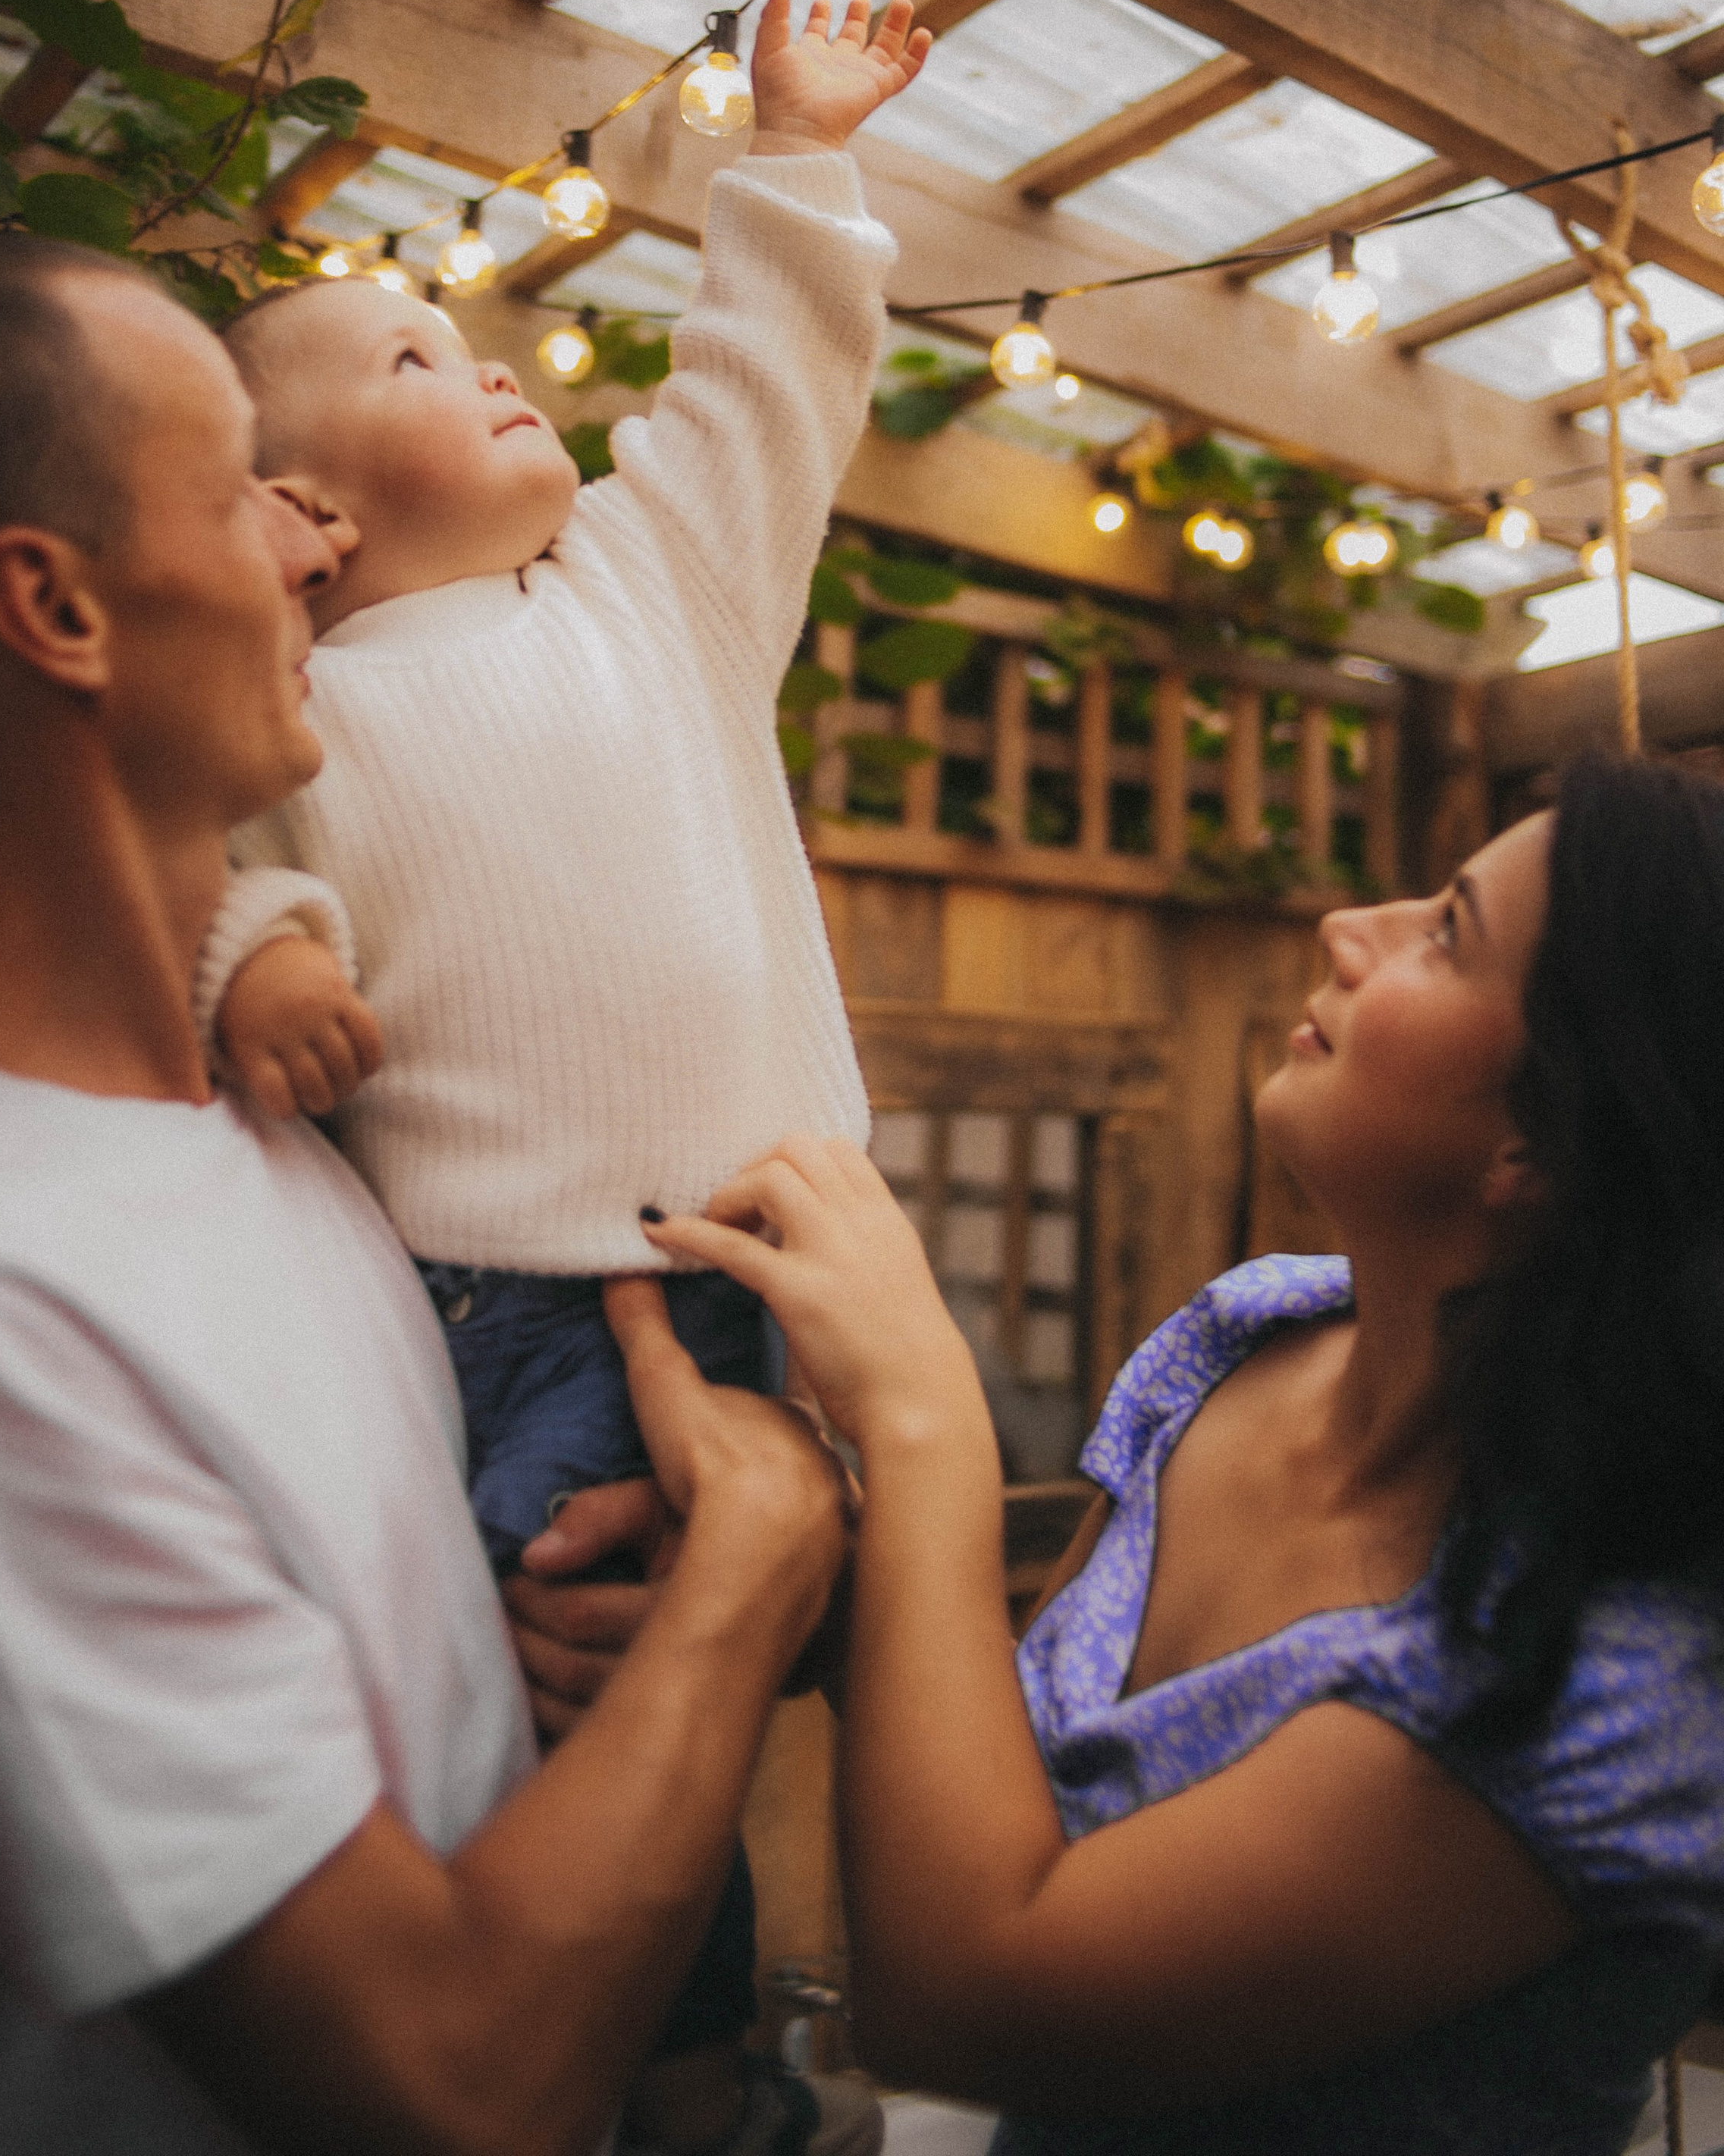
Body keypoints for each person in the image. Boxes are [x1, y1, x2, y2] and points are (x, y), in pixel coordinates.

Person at [0, 230, 851, 2156]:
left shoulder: (282, 1132)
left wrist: (633, 1616)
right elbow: (439, 2088)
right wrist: (753, 1576)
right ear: (58, 608)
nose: (311, 546)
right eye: (243, 493)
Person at [193, 0, 929, 2156]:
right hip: (494, 1306)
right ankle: (658, 2064)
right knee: (572, 1685)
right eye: (415, 361)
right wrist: (263, 966)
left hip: (770, 1254)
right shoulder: (293, 702)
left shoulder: (653, 589)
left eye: (472, 336)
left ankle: (696, 2059)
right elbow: (222, 878)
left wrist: (793, 152)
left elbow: (765, 394)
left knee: (703, 1673)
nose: (492, 359)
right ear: (302, 505)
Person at [644, 758, 1724, 2155]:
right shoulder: (1249, 1331)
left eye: (1446, 932)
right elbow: (1018, 1784)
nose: (1352, 925)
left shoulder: (1610, 1682)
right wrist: (789, 1574)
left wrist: (922, 1420)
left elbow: (970, 2001)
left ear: (1541, 1141)